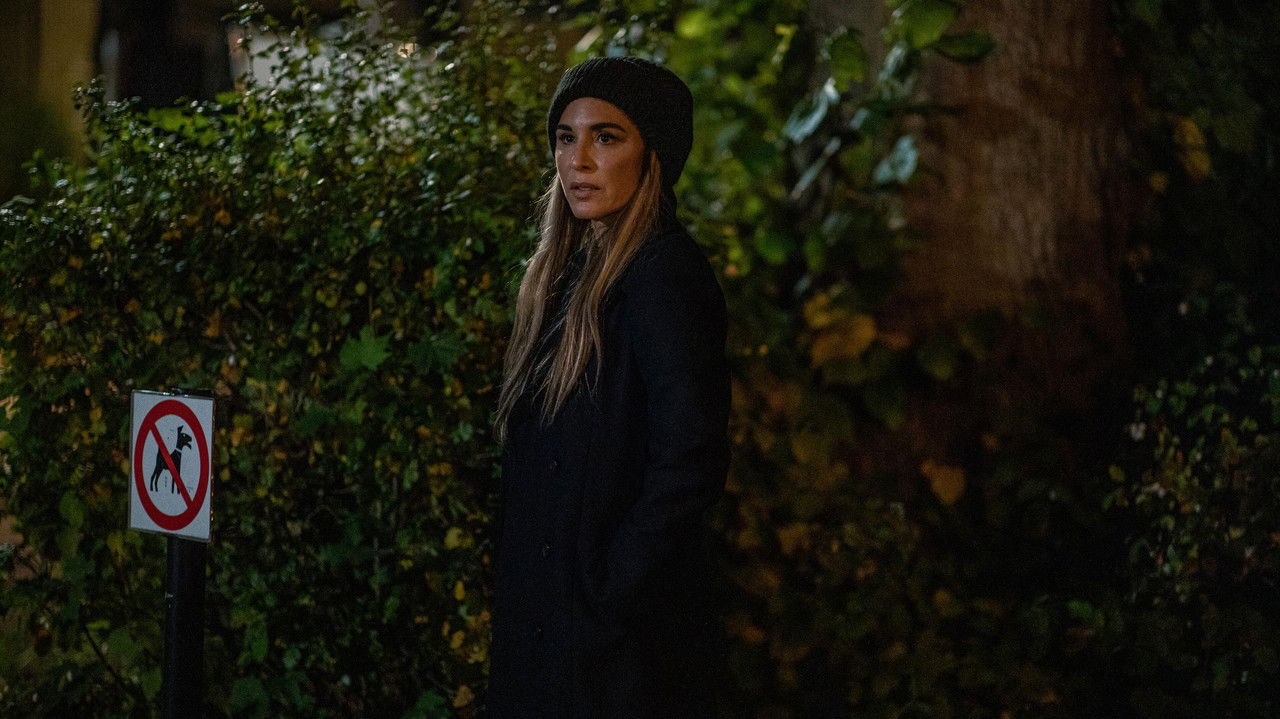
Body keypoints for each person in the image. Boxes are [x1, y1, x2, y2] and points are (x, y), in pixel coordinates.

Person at [485, 56, 732, 718]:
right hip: (550, 632)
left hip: (616, 653)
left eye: (606, 136)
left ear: (653, 153)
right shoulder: (570, 273)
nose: (579, 160)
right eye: (566, 137)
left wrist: (607, 592)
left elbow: (690, 460)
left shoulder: (663, 274)